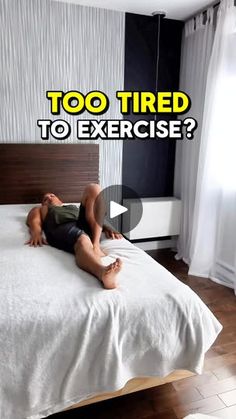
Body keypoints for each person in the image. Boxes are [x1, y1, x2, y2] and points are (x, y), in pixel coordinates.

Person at [26, 183, 123, 289]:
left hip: (81, 224)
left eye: (52, 195)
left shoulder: (73, 207)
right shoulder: (42, 209)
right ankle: (102, 273)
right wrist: (36, 232)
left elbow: (91, 215)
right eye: (45, 199)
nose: (49, 197)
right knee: (82, 239)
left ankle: (95, 245)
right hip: (62, 226)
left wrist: (106, 227)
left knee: (94, 188)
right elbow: (34, 220)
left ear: (60, 200)